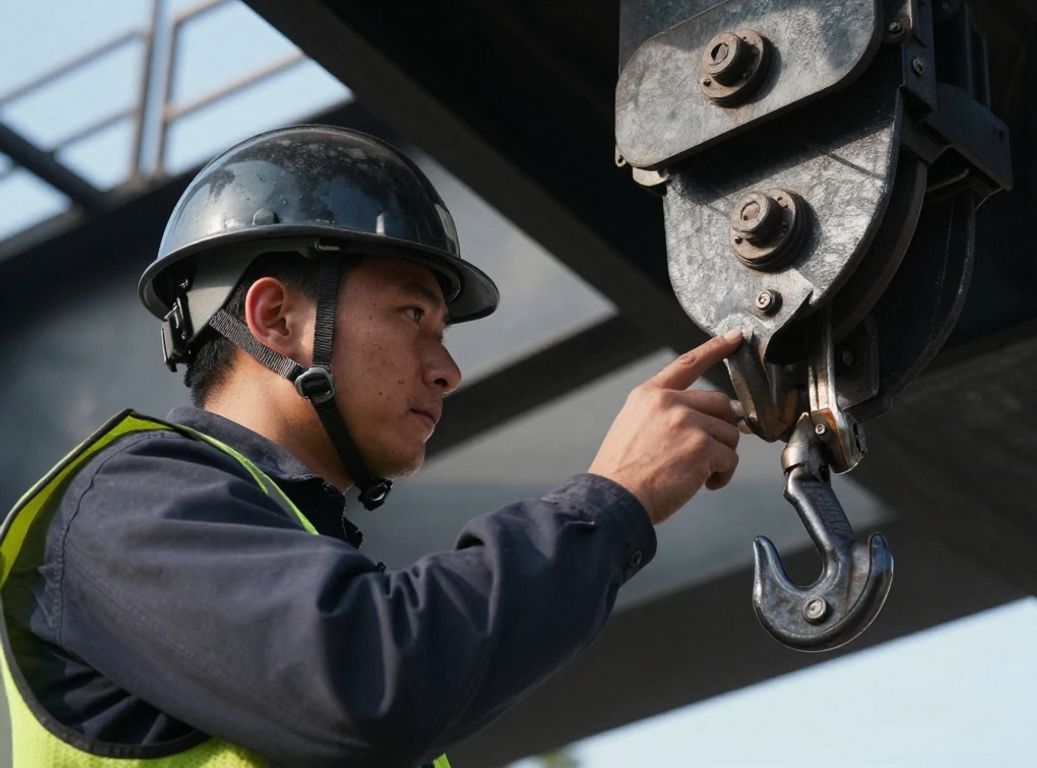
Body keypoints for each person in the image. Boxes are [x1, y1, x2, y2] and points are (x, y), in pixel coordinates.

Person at [0, 125, 743, 767]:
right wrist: (611, 504)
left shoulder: (287, 541)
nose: (447, 369)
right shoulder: (127, 506)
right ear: (274, 318)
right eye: (412, 313)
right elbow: (374, 683)